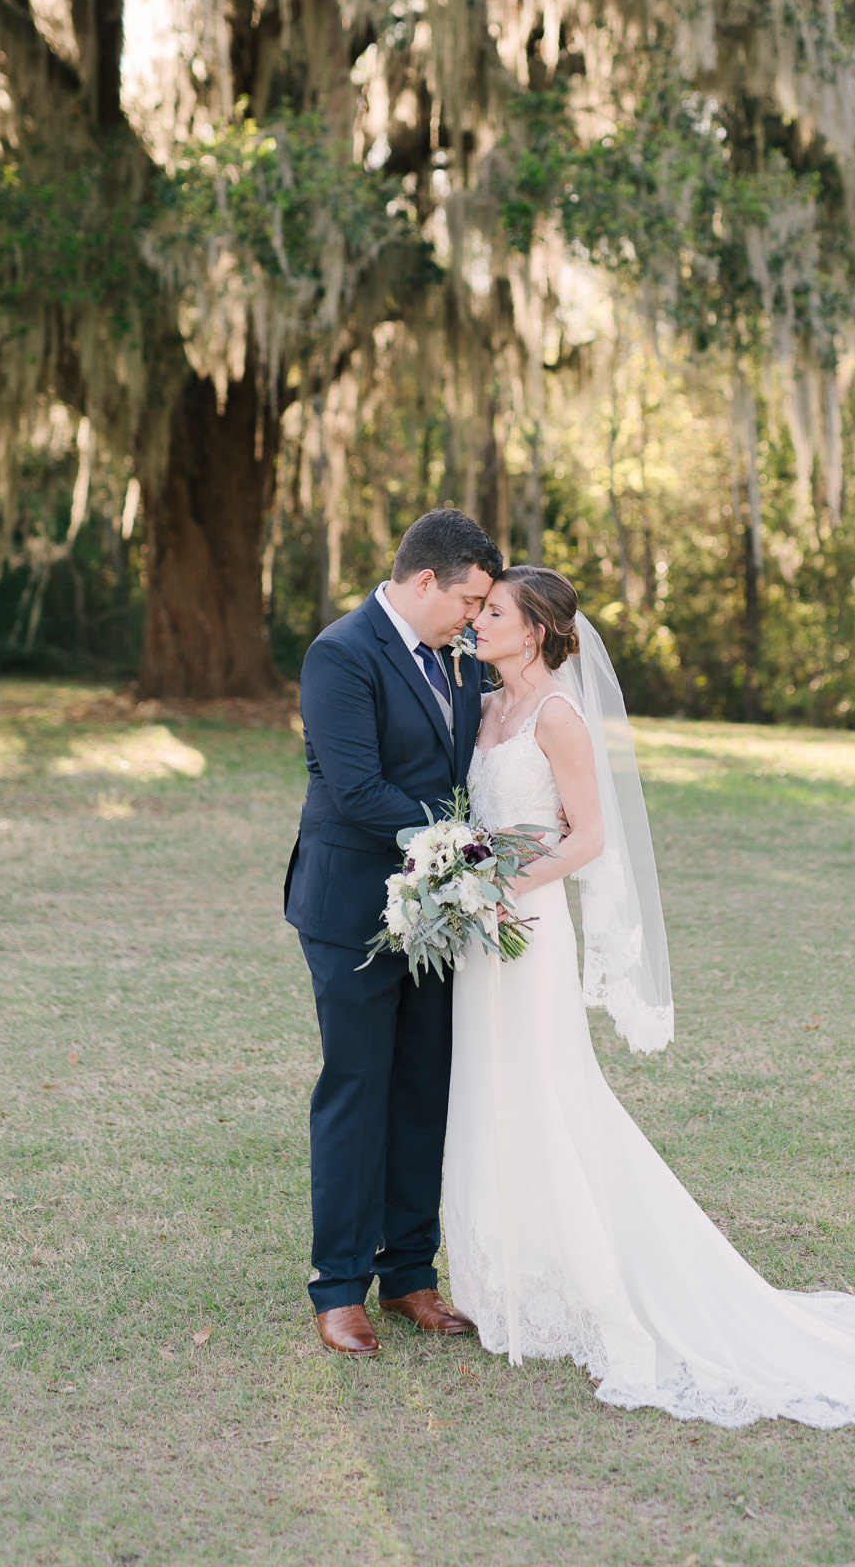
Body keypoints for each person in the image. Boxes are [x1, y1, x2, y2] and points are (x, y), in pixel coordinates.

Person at [442, 566, 855, 1427]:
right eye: (478, 610)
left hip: (527, 926)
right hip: (480, 934)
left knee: (546, 1091)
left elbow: (588, 838)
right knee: (487, 1091)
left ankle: (581, 1276)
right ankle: (502, 1278)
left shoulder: (557, 717)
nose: (479, 621)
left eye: (496, 612)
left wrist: (506, 887)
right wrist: (457, 874)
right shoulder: (482, 710)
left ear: (540, 630)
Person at [284, 507, 502, 1355]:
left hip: (439, 910)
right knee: (357, 1086)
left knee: (422, 1090)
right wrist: (463, 847)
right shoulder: (340, 653)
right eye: (469, 601)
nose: (476, 618)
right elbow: (356, 789)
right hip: (350, 910)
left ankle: (409, 1272)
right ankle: (336, 1286)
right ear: (423, 582)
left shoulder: (457, 658)